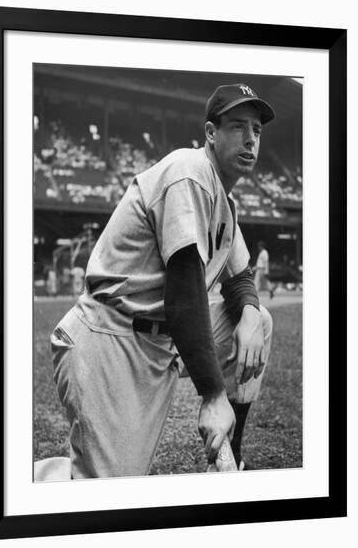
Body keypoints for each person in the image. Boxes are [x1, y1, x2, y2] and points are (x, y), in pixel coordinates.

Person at [51, 84, 275, 479]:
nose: (250, 139)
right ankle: (23, 488)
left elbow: (240, 278)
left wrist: (253, 314)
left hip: (159, 343)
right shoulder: (188, 172)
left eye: (256, 130)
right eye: (238, 127)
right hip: (111, 340)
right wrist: (213, 395)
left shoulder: (224, 200)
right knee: (107, 496)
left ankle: (229, 464)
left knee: (261, 323)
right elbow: (185, 289)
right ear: (210, 133)